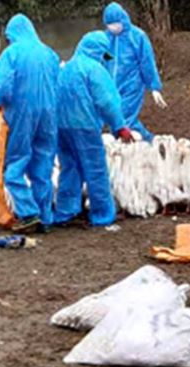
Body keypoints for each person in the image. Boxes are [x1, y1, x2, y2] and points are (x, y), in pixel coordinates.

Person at [0, 14, 60, 233]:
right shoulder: (49, 53)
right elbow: (57, 81)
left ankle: (28, 213)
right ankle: (45, 217)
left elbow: (1, 84)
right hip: (49, 113)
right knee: (43, 164)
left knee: (15, 164)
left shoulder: (12, 53)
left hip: (22, 113)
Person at [53, 31, 134, 227]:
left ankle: (65, 211)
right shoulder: (94, 69)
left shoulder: (66, 69)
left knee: (70, 168)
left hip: (61, 127)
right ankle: (102, 213)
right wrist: (119, 125)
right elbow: (106, 101)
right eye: (104, 55)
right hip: (84, 126)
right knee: (95, 169)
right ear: (99, 52)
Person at [102, 2, 166, 140]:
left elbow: (147, 62)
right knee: (115, 117)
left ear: (122, 20)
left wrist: (154, 87)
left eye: (116, 24)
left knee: (125, 117)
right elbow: (103, 57)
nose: (113, 28)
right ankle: (131, 143)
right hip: (112, 85)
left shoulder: (137, 37)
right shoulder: (106, 38)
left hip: (132, 84)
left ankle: (149, 141)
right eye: (109, 25)